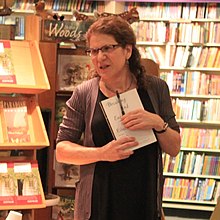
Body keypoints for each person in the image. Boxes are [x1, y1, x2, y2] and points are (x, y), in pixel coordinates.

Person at [56, 15, 181, 220]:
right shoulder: (84, 93)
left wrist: (158, 124)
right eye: (94, 51)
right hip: (99, 204)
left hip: (144, 202)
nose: (99, 57)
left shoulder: (156, 88)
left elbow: (174, 147)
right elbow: (62, 151)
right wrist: (102, 153)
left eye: (107, 48)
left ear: (128, 51)